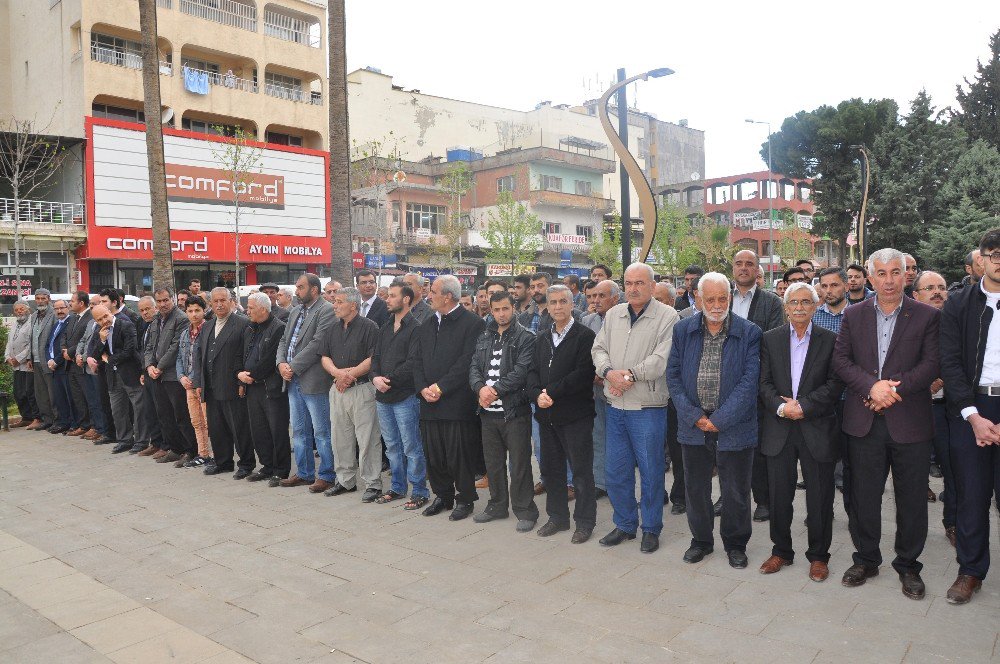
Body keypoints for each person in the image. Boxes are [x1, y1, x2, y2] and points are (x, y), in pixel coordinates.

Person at [833, 248, 940, 600]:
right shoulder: (853, 314)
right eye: (881, 273)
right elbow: (842, 361)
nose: (889, 280)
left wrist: (892, 389)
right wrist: (870, 387)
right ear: (869, 276)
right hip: (864, 421)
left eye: (896, 272)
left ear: (906, 275)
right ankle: (866, 558)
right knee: (863, 496)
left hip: (910, 421)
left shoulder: (925, 315)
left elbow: (931, 364)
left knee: (911, 499)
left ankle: (908, 565)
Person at [666, 272, 761, 568]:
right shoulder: (682, 330)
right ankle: (702, 541)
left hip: (734, 426)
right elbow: (673, 376)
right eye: (710, 299)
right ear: (698, 299)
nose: (717, 305)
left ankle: (735, 544)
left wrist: (719, 419)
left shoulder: (749, 332)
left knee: (735, 491)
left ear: (730, 299)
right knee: (696, 489)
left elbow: (750, 381)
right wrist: (695, 416)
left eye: (723, 298)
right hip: (693, 427)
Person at [758, 282, 843, 582]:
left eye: (806, 302)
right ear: (785, 307)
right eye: (793, 302)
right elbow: (763, 383)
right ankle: (781, 551)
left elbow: (835, 384)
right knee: (779, 495)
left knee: (820, 497)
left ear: (816, 306)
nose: (799, 307)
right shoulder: (770, 339)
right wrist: (782, 409)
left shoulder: (831, 340)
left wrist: (803, 406)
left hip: (816, 426)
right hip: (779, 427)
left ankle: (819, 556)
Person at [592, 263, 678, 553]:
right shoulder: (614, 314)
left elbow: (660, 359)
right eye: (628, 283)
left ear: (653, 287)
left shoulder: (668, 316)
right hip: (616, 406)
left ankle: (651, 528)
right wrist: (608, 372)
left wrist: (627, 375)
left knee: (652, 472)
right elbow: (598, 349)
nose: (633, 288)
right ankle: (625, 524)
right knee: (617, 471)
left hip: (648, 408)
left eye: (640, 283)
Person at [939, 228, 1000, 604]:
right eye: (992, 253)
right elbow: (951, 362)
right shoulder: (959, 304)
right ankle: (971, 571)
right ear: (981, 259)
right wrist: (973, 416)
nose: (998, 260)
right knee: (972, 496)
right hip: (971, 409)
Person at [411, 274, 485, 520]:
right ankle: (442, 495)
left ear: (448, 296)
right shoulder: (428, 324)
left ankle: (465, 498)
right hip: (429, 402)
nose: (428, 295)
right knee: (435, 454)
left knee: (459, 454)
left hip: (456, 402)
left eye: (432, 291)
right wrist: (422, 388)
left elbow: (467, 362)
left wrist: (440, 388)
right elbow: (417, 360)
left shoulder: (472, 323)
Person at [528, 285, 597, 542]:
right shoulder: (542, 337)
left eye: (562, 302)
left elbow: (582, 374)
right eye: (553, 302)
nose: (557, 307)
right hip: (546, 417)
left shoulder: (584, 336)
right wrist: (537, 394)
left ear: (572, 305)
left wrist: (550, 392)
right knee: (551, 470)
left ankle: (585, 522)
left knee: (580, 471)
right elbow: (532, 370)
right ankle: (557, 518)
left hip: (575, 415)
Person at [469, 291, 538, 532]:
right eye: (496, 309)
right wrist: (480, 389)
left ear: (513, 309)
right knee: (493, 464)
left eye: (505, 309)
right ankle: (497, 505)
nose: (501, 314)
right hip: (488, 413)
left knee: (519, 464)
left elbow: (521, 371)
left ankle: (525, 510)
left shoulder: (526, 337)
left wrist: (494, 391)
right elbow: (474, 367)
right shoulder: (484, 337)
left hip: (514, 412)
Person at [731, 249, 784, 523]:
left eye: (749, 264)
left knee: (758, 447)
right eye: (738, 263)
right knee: (727, 447)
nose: (743, 268)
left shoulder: (772, 303)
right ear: (732, 268)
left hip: (757, 385)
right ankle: (728, 497)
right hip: (725, 385)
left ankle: (763, 500)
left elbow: (772, 343)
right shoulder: (721, 297)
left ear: (757, 270)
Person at [371, 281, 429, 508]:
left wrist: (388, 380)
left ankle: (420, 490)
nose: (388, 299)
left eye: (393, 295)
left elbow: (413, 363)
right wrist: (375, 377)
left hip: (404, 396)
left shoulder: (416, 328)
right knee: (392, 445)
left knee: (411, 446)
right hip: (382, 397)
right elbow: (374, 357)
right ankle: (397, 487)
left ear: (406, 299)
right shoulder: (385, 327)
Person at [322, 287, 382, 500]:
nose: (334, 305)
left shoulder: (370, 327)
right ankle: (345, 481)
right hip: (337, 390)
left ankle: (373, 483)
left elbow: (373, 358)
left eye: (339, 301)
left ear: (353, 305)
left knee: (367, 439)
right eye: (334, 301)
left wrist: (350, 375)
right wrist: (338, 374)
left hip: (362, 389)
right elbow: (324, 356)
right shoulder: (332, 328)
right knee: (340, 438)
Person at [277, 274, 336, 490]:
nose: (297, 291)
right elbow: (284, 341)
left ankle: (328, 475)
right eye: (296, 287)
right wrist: (281, 363)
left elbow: (317, 343)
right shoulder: (295, 311)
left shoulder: (326, 310)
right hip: (292, 379)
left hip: (314, 380)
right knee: (299, 430)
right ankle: (304, 472)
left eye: (301, 287)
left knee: (322, 431)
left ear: (314, 289)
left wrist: (292, 367)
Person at [911, 270, 956, 535]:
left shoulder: (956, 321)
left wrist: (938, 380)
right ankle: (915, 530)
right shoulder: (908, 323)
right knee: (913, 473)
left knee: (953, 468)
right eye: (930, 288)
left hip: (947, 410)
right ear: (916, 295)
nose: (937, 291)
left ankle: (952, 522)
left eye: (941, 287)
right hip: (914, 408)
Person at [194, 287, 253, 477]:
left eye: (223, 300)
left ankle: (246, 463)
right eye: (215, 301)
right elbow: (200, 355)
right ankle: (223, 461)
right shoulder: (208, 325)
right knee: (217, 428)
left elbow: (246, 356)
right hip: (211, 385)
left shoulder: (243, 324)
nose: (219, 304)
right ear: (210, 304)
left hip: (232, 386)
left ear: (231, 301)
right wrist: (199, 382)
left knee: (239, 428)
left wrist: (242, 383)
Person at [238, 292, 290, 485]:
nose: (247, 311)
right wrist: (240, 375)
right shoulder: (250, 328)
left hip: (271, 387)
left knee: (277, 430)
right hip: (253, 388)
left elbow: (270, 360)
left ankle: (281, 469)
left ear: (263, 309)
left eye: (251, 308)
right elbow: (243, 354)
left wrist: (251, 376)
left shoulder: (278, 328)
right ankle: (266, 466)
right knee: (258, 430)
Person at [144, 287, 198, 464]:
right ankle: (175, 449)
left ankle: (190, 451)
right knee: (165, 415)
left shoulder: (181, 319)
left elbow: (175, 347)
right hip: (157, 375)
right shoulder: (156, 320)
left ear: (172, 299)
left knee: (181, 415)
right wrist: (149, 365)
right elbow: (150, 346)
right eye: (159, 301)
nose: (162, 304)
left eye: (166, 300)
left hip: (173, 375)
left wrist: (159, 366)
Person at [582, 280, 619, 499]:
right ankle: (600, 482)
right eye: (593, 296)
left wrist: (608, 374)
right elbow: (583, 352)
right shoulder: (587, 321)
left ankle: (617, 482)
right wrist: (592, 373)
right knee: (597, 435)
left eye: (602, 296)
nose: (596, 301)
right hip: (594, 388)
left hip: (618, 388)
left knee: (618, 438)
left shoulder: (624, 319)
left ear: (615, 298)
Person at [91, 304, 145, 455]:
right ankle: (124, 440)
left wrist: (110, 359)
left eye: (105, 316)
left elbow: (130, 350)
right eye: (100, 319)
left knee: (138, 408)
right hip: (113, 377)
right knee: (117, 410)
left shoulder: (126, 325)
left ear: (110, 312)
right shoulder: (99, 331)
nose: (104, 320)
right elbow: (95, 355)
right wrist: (102, 341)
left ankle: (141, 441)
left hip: (130, 373)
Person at [176, 295, 212, 467]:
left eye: (197, 310)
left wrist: (195, 380)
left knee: (209, 421)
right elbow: (179, 358)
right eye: (190, 311)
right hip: (188, 385)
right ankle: (202, 453)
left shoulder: (209, 331)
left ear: (204, 311)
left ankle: (215, 454)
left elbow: (206, 360)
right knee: (196, 421)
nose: (194, 314)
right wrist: (181, 376)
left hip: (203, 385)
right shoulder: (184, 333)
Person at [134, 296, 164, 456]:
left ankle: (165, 445)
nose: (145, 313)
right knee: (149, 410)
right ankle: (156, 442)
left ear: (156, 308)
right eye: (142, 310)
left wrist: (154, 368)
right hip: (147, 371)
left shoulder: (160, 323)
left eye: (148, 309)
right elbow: (143, 349)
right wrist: (143, 371)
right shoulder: (142, 324)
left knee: (161, 411)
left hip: (159, 371)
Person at [62, 292, 94, 438]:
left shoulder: (90, 317)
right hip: (70, 364)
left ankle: (92, 425)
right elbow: (65, 335)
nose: (70, 303)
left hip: (81, 363)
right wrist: (64, 350)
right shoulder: (74, 318)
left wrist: (71, 351)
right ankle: (83, 424)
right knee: (77, 397)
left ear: (81, 303)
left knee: (87, 396)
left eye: (72, 301)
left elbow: (84, 339)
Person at [5, 301, 40, 428]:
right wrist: (7, 357)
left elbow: (31, 343)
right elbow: (10, 342)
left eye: (22, 309)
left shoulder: (32, 322)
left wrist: (19, 358)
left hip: (27, 363)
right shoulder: (15, 323)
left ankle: (36, 417)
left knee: (29, 391)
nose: (19, 311)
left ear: (28, 310)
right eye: (17, 310)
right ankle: (26, 417)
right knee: (18, 392)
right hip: (16, 365)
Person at [46, 299, 75, 435]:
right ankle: (63, 422)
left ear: (68, 307)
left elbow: (66, 347)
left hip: (64, 366)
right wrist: (49, 359)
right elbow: (49, 345)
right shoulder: (56, 324)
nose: (59, 311)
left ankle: (72, 423)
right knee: (60, 397)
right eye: (56, 309)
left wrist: (56, 361)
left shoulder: (71, 322)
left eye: (62, 308)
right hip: (54, 367)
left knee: (69, 397)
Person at [28, 288, 56, 431]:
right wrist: (29, 357)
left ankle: (58, 420)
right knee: (41, 393)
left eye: (43, 298)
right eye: (37, 298)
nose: (40, 301)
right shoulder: (33, 316)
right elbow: (31, 338)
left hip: (48, 360)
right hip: (36, 359)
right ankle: (47, 419)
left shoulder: (54, 314)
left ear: (48, 299)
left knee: (53, 392)